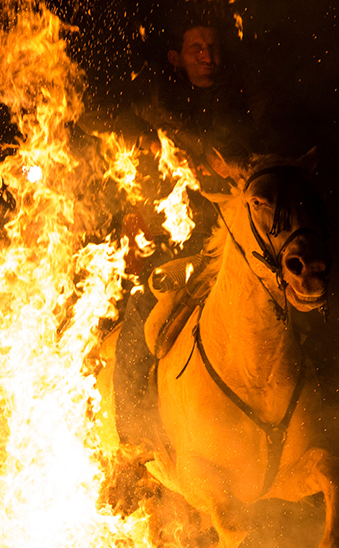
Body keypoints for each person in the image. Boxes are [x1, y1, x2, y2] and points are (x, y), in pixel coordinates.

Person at [112, 11, 259, 447]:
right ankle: (134, 445)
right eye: (196, 48)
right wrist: (142, 137)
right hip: (175, 247)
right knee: (141, 318)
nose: (207, 56)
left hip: (232, 240)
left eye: (212, 47)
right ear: (177, 58)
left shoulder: (241, 105)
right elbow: (115, 119)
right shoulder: (158, 102)